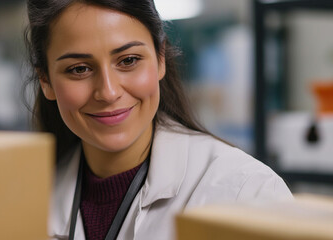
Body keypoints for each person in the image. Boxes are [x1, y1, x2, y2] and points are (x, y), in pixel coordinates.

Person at [24, 0, 293, 239]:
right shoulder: (28, 197)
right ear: (45, 80)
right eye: (79, 69)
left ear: (160, 58)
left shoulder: (246, 192)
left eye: (128, 60)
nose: (108, 92)